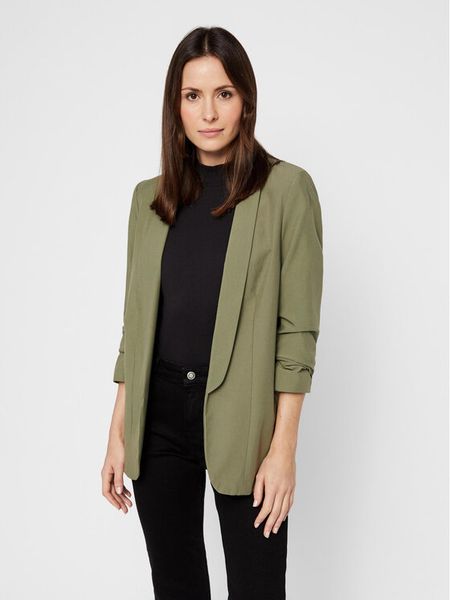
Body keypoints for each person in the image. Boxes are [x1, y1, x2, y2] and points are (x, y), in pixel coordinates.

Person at [101, 26, 324, 600]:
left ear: (245, 99)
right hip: (157, 418)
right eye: (192, 95)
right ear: (174, 106)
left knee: (257, 588)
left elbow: (297, 335)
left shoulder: (287, 190)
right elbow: (135, 326)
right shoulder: (148, 200)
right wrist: (119, 432)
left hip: (245, 414)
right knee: (176, 587)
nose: (208, 113)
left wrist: (283, 450)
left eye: (223, 93)